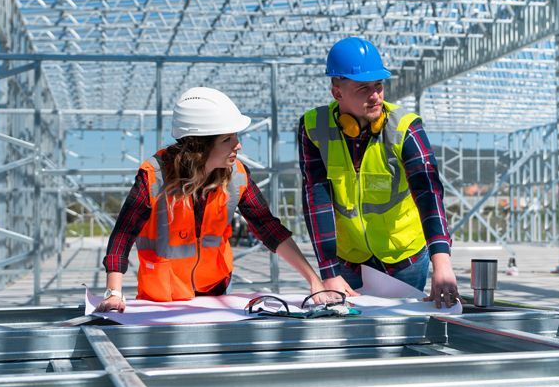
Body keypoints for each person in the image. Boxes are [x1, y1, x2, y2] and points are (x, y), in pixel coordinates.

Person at [96, 87, 329, 313]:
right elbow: (123, 235)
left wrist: (314, 281)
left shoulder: (237, 175)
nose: (238, 145)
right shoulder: (153, 175)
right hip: (162, 299)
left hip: (215, 296)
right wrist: (113, 292)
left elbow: (267, 227)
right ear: (200, 146)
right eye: (228, 139)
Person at [298, 37, 461, 308]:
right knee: (352, 338)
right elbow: (317, 200)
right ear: (337, 93)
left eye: (379, 85)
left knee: (404, 338)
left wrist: (441, 262)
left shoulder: (404, 127)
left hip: (404, 258)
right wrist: (329, 272)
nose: (375, 96)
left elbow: (429, 193)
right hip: (349, 260)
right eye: (363, 88)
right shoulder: (314, 128)